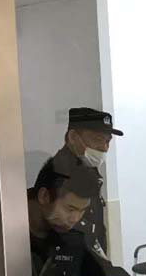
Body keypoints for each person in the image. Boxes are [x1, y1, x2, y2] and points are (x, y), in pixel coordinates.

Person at [28, 157, 146, 276]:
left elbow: (110, 275)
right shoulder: (3, 234)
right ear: (44, 196)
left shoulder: (75, 233)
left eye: (82, 210)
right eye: (70, 209)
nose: (74, 218)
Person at [51, 107, 122, 258]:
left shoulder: (89, 170)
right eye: (97, 139)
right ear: (73, 137)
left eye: (107, 141)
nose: (104, 147)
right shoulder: (61, 175)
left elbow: (96, 229)